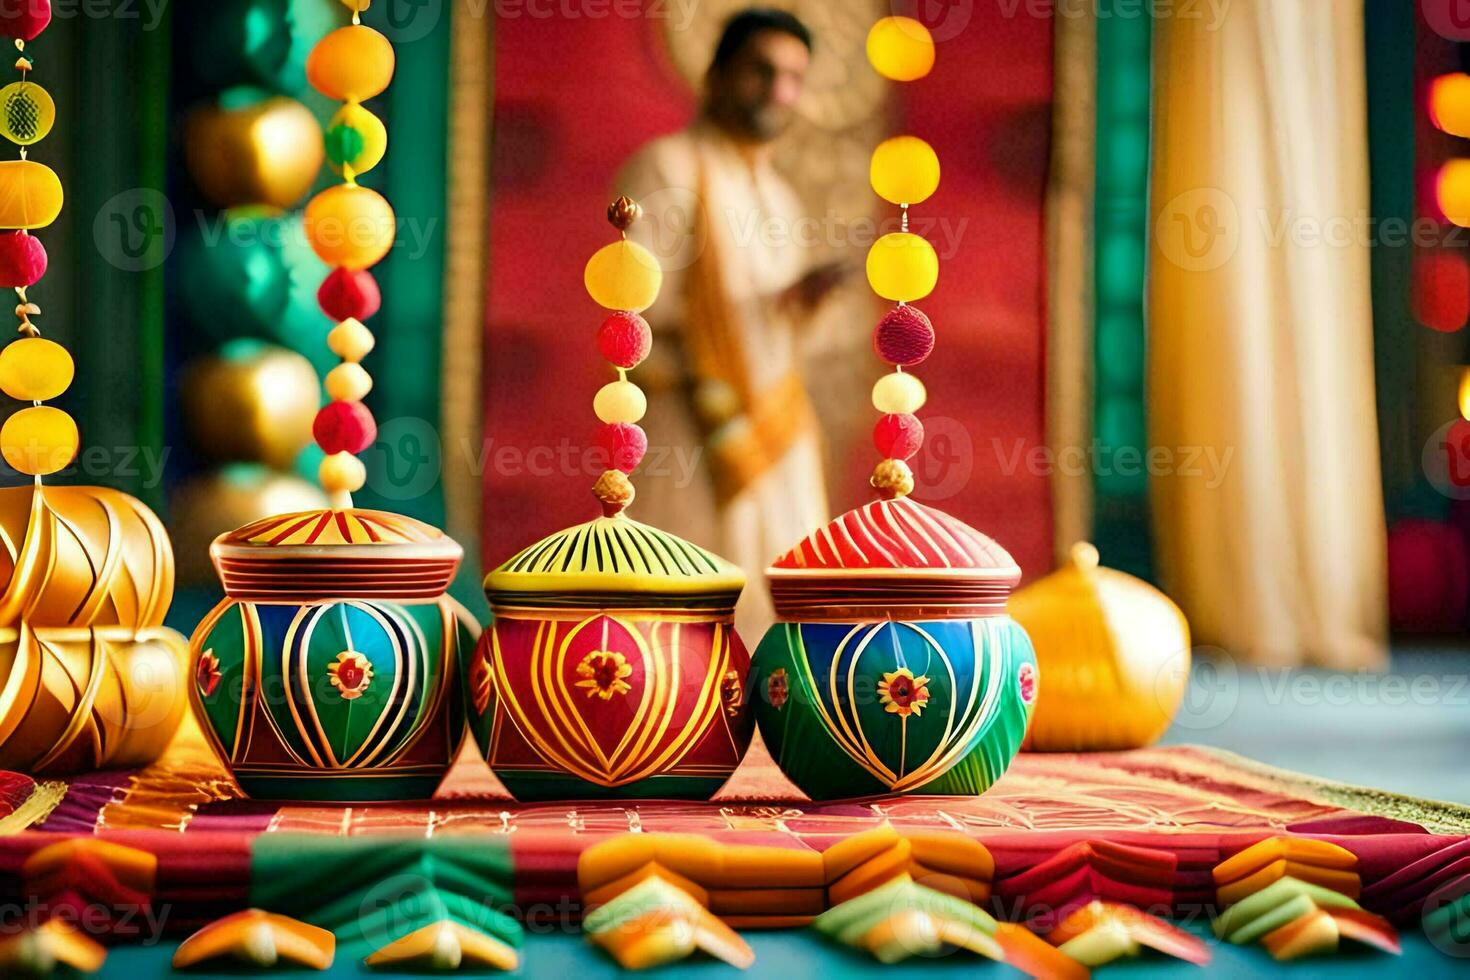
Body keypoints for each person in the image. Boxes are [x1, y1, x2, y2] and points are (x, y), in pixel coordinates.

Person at [617, 8, 847, 637]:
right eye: (761, 71)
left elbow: (784, 335)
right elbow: (631, 315)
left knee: (783, 608)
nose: (779, 91)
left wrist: (802, 304)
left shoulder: (780, 197)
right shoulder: (667, 168)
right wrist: (713, 370)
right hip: (693, 429)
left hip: (778, 430)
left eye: (795, 77)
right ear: (715, 75)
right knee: (693, 616)